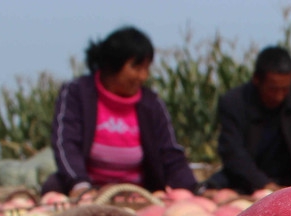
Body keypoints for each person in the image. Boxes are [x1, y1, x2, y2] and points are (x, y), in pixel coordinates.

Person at [41, 26, 197, 196]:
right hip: (87, 190)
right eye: (136, 68)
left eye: (146, 68)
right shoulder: (77, 93)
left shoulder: (151, 103)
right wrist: (80, 185)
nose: (143, 76)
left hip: (139, 194)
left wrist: (188, 189)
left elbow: (169, 152)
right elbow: (66, 144)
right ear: (113, 64)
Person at [212, 46, 291, 193]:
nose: (279, 96)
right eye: (273, 89)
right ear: (256, 80)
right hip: (248, 185)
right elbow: (232, 152)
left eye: (285, 89)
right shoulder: (235, 103)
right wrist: (264, 185)